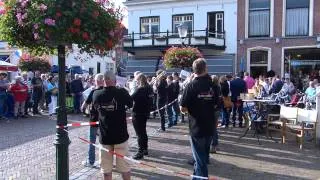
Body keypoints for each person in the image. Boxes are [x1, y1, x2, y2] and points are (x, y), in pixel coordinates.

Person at [180, 58, 219, 180]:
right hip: (210, 126)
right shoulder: (214, 85)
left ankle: (202, 178)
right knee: (202, 158)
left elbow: (182, 108)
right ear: (206, 68)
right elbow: (217, 105)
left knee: (200, 160)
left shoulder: (191, 86)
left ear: (194, 70)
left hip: (197, 127)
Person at [93, 71, 133, 180]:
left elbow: (95, 108)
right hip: (120, 136)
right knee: (125, 168)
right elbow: (130, 104)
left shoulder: (96, 94)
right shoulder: (122, 92)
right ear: (115, 81)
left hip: (105, 136)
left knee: (106, 170)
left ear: (103, 81)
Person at [81, 73, 104, 167]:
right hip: (105, 120)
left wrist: (85, 111)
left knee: (92, 141)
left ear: (96, 81)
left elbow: (83, 106)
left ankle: (91, 161)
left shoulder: (93, 92)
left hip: (94, 119)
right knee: (105, 142)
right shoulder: (108, 92)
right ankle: (105, 161)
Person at [131, 73, 154, 160]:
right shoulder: (149, 88)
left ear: (139, 80)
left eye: (136, 80)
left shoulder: (140, 89)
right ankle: (145, 149)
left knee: (139, 133)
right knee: (143, 132)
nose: (136, 82)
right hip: (145, 112)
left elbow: (131, 98)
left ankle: (140, 151)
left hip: (138, 113)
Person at [210, 75, 221, 154]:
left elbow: (212, 99)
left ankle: (213, 145)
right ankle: (215, 144)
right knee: (214, 128)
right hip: (217, 110)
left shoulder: (212, 88)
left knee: (212, 128)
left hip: (212, 110)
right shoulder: (218, 87)